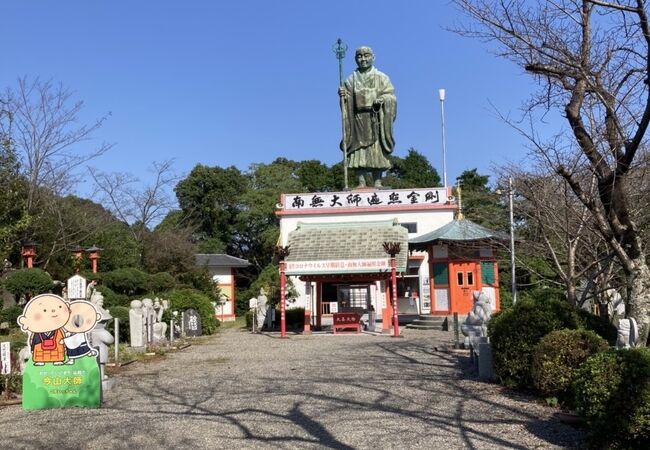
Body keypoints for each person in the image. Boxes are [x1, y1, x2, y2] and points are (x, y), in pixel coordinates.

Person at [339, 46, 397, 188]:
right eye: (359, 56)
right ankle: (361, 181)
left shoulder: (382, 77)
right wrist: (343, 96)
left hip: (376, 118)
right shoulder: (350, 79)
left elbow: (391, 96)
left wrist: (383, 100)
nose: (363, 59)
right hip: (357, 120)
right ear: (355, 59)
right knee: (358, 151)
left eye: (366, 55)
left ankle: (378, 180)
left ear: (373, 57)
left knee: (377, 151)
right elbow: (346, 101)